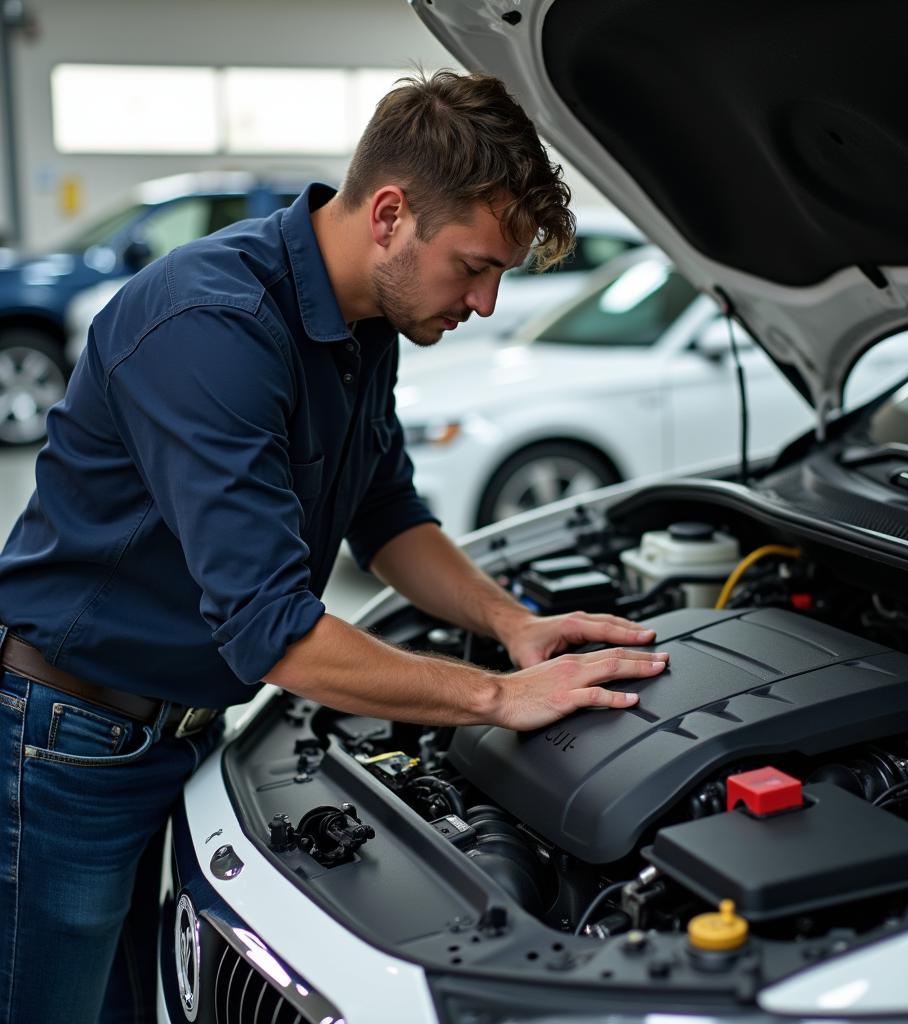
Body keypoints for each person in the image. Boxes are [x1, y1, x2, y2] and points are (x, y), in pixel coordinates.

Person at [0, 70, 668, 1022]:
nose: (482, 303)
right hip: (65, 743)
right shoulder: (215, 326)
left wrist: (514, 625)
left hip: (171, 736)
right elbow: (273, 633)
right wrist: (494, 696)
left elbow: (388, 516)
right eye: (473, 266)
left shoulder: (368, 321)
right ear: (390, 214)